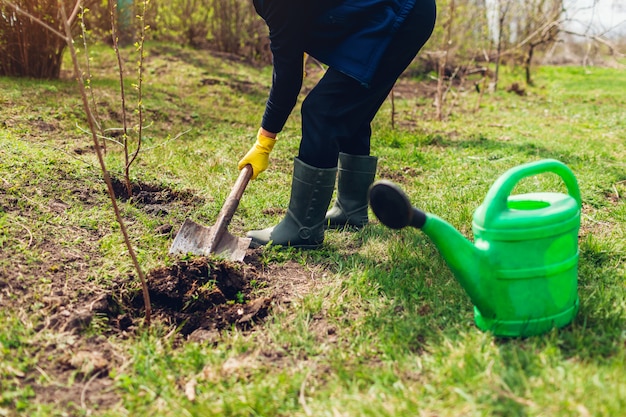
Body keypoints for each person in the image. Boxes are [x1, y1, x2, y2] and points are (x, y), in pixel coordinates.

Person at [238, 0, 437, 249]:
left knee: (322, 111)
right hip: (396, 11)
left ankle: (302, 229)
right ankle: (351, 211)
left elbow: (287, 78)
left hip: (399, 12)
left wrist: (264, 142)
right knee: (351, 109)